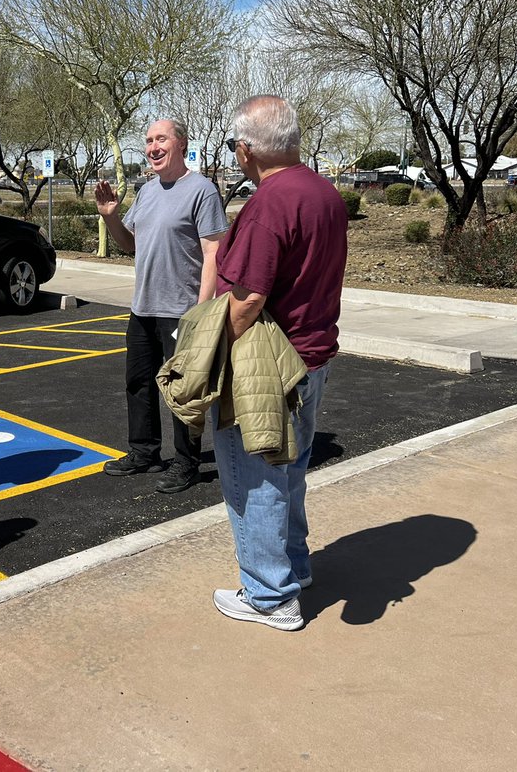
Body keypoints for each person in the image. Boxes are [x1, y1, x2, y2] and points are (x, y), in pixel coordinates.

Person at [209, 95, 348, 631]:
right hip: (313, 358)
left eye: (234, 146)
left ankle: (270, 595)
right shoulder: (323, 192)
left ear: (246, 148)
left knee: (256, 479)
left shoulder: (270, 203)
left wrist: (212, 357)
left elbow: (246, 298)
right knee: (289, 473)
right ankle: (294, 566)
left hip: (269, 366)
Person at [94, 119, 228, 493]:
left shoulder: (201, 190)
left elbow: (213, 252)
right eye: (149, 140)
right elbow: (130, 244)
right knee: (138, 382)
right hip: (144, 308)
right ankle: (144, 452)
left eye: (161, 139)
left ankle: (187, 462)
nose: (153, 147)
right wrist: (110, 216)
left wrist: (201, 313)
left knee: (182, 390)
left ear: (181, 144)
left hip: (181, 310)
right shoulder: (148, 191)